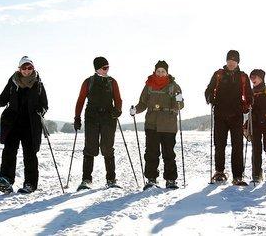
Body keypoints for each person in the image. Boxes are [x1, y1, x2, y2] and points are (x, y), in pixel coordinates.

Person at [0, 56, 48, 194]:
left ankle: (30, 184)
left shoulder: (38, 84)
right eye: (24, 68)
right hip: (12, 123)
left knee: (30, 154)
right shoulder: (13, 82)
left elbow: (45, 104)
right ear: (19, 69)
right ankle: (6, 180)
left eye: (30, 68)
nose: (27, 70)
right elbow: (2, 100)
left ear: (33, 68)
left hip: (30, 124)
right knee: (9, 151)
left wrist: (41, 110)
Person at [130, 60, 184, 190]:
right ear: (155, 72)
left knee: (169, 153)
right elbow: (142, 103)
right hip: (152, 123)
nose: (160, 74)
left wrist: (178, 101)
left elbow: (181, 105)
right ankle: (151, 179)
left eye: (163, 71)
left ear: (167, 72)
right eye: (158, 71)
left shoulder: (174, 86)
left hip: (169, 125)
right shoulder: (148, 86)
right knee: (151, 153)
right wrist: (135, 110)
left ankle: (171, 180)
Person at [204, 50, 253, 185]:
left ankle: (237, 176)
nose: (231, 63)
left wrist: (249, 103)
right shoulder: (218, 74)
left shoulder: (243, 76)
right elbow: (209, 89)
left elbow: (249, 93)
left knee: (237, 146)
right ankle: (219, 172)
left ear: (238, 62)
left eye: (234, 61)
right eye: (229, 60)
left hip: (237, 115)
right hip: (220, 114)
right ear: (226, 61)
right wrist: (210, 98)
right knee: (219, 145)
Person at [74, 56, 122, 190]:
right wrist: (77, 117)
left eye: (108, 67)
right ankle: (86, 180)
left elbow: (118, 99)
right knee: (90, 147)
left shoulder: (112, 82)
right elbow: (80, 100)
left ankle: (111, 179)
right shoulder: (88, 82)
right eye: (104, 67)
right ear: (97, 69)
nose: (107, 69)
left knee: (107, 148)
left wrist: (117, 110)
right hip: (92, 117)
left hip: (108, 117)